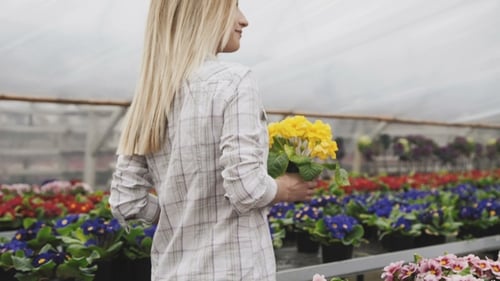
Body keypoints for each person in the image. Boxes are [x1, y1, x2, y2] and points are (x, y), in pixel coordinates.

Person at [108, 1, 317, 280]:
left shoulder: (152, 94)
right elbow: (246, 188)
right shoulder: (234, 81)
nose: (244, 21)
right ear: (203, 13)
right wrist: (284, 189)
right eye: (234, 7)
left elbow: (126, 202)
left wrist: (181, 215)